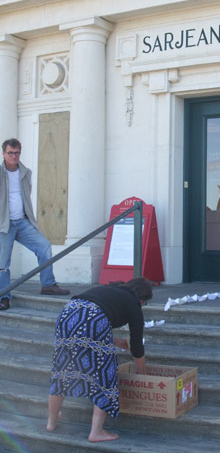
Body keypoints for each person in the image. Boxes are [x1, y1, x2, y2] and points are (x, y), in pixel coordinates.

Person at [46, 277, 153, 442]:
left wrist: (115, 341)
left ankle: (51, 422)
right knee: (105, 373)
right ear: (142, 299)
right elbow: (137, 346)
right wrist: (142, 374)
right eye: (144, 303)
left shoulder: (111, 290)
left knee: (63, 369)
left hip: (67, 313)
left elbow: (87, 325)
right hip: (94, 318)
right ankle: (96, 431)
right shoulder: (134, 304)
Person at [0, 138, 69, 311]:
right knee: (2, 264)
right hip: (4, 224)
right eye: (10, 153)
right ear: (3, 153)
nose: (14, 156)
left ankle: (48, 284)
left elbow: (26, 195)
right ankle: (4, 296)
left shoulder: (26, 172)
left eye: (17, 153)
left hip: (22, 222)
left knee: (44, 245)